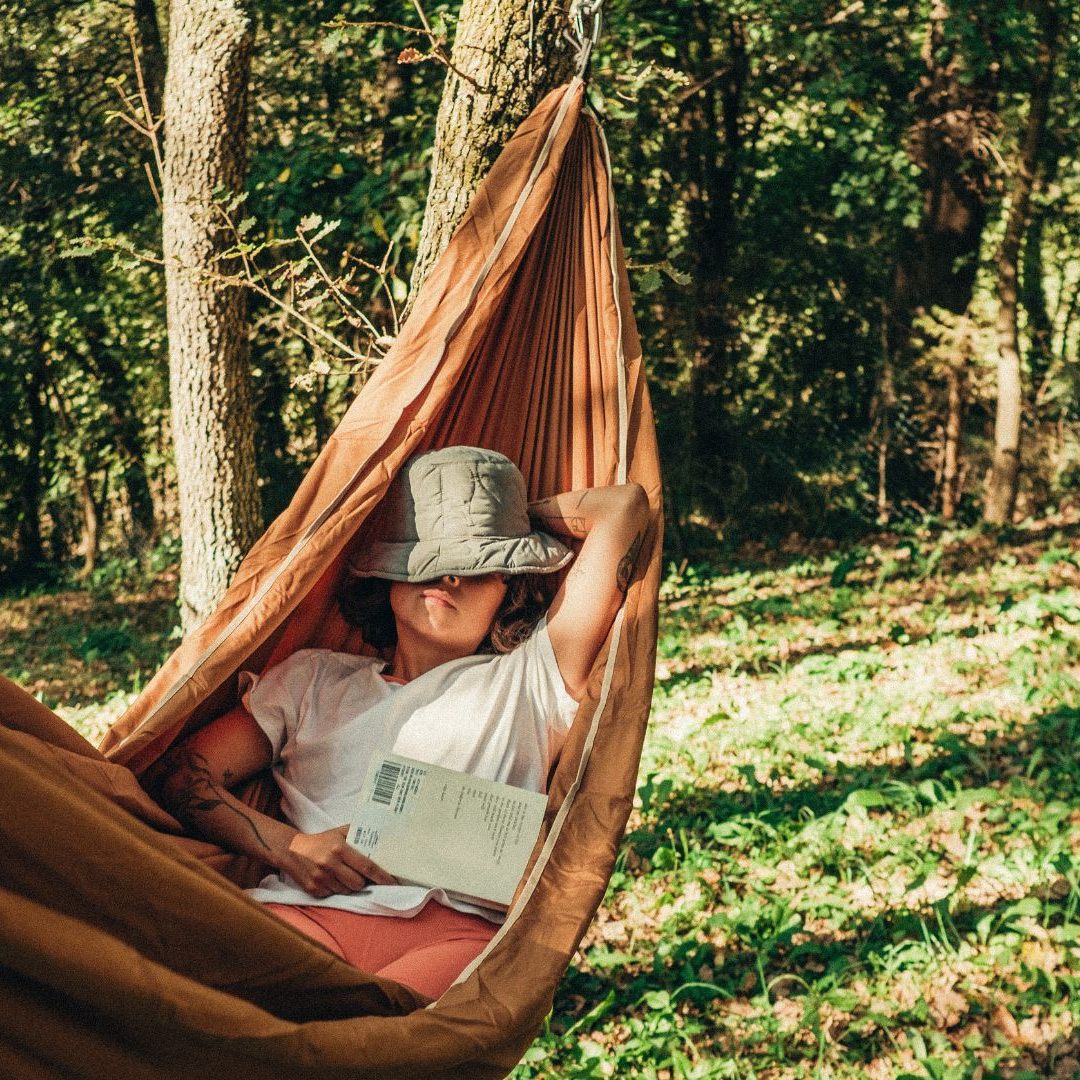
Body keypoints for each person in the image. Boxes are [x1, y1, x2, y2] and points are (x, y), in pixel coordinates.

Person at [157, 445, 649, 999]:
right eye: (427, 556)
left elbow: (624, 507)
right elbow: (181, 772)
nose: (449, 576)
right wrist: (289, 847)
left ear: (509, 589)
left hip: (457, 938)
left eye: (478, 563)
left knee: (374, 1042)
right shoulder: (312, 679)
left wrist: (504, 517)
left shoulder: (533, 677)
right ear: (387, 579)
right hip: (307, 915)